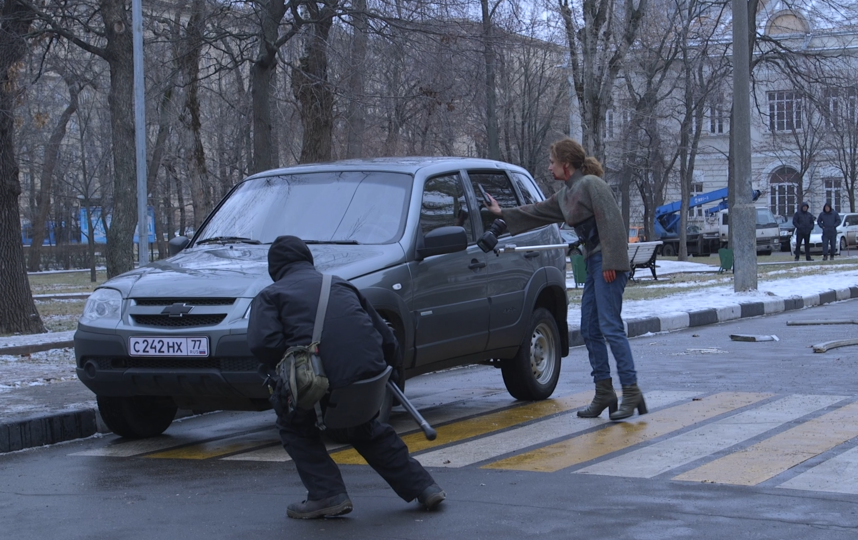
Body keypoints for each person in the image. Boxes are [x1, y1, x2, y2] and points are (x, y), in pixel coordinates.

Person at [247, 235, 445, 519]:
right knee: (364, 428)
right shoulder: (340, 285)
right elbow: (387, 338)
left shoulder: (271, 295)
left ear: (273, 268)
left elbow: (262, 345)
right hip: (369, 376)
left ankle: (326, 494)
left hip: (321, 382)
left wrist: (293, 364)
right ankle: (424, 487)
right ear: (308, 260)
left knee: (294, 427)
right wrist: (391, 373)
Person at [485, 137, 645, 421]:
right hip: (595, 261)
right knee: (589, 328)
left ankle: (631, 391)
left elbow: (612, 223)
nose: (549, 167)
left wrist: (611, 262)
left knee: (610, 326)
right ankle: (604, 390)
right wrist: (501, 213)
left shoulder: (592, 185)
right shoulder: (566, 194)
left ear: (566, 165)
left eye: (552, 162)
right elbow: (535, 212)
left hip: (607, 264)